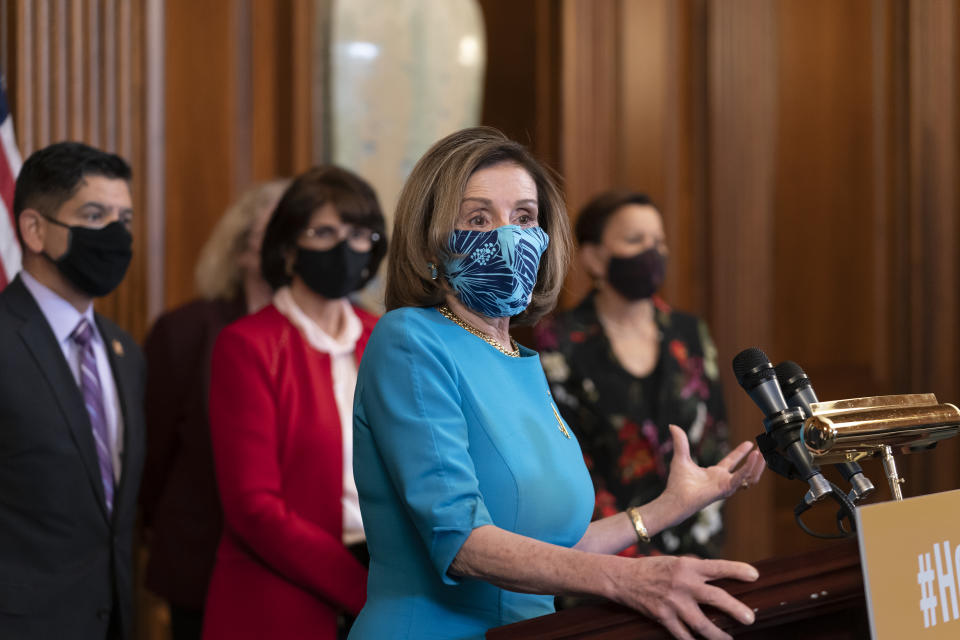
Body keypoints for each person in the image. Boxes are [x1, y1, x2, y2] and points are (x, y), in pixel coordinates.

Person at [349, 127, 766, 640]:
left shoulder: (519, 359)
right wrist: (633, 578)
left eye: (524, 217)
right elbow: (461, 544)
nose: (508, 236)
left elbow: (552, 551)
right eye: (479, 218)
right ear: (431, 242)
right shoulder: (410, 339)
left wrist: (669, 507)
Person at [202, 166, 387, 640]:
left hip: (391, 579)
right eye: (323, 232)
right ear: (288, 249)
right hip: (284, 592)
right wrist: (361, 588)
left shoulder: (384, 338)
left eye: (359, 234)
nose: (344, 248)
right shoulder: (248, 344)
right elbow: (254, 508)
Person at [534, 190, 730, 559]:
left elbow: (715, 439)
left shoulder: (689, 334)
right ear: (593, 257)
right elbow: (569, 466)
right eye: (635, 240)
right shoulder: (559, 344)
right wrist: (635, 560)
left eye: (658, 242)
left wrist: (700, 545)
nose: (652, 252)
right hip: (603, 557)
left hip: (695, 550)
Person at [0, 141, 144, 639]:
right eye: (94, 215)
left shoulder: (124, 351)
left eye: (124, 218)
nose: (115, 234)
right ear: (35, 230)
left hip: (113, 620)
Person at [138, 179, 289, 640]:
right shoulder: (185, 332)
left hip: (309, 576)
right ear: (243, 250)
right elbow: (151, 457)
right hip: (204, 570)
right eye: (278, 230)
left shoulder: (343, 336)